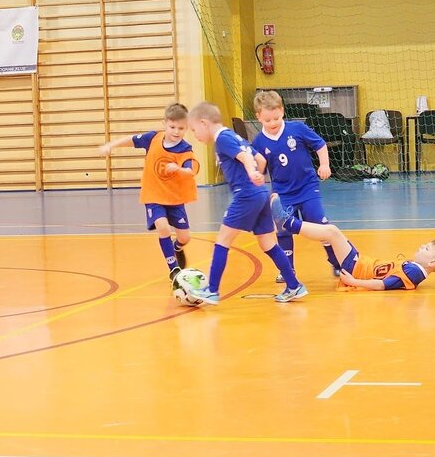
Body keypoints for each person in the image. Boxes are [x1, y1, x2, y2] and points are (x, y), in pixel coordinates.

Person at [186, 101, 307, 305]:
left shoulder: (222, 139)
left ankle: (212, 290)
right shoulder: (234, 136)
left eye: (194, 129)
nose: (195, 135)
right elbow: (260, 158)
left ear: (204, 123)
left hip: (246, 195)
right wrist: (258, 176)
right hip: (260, 193)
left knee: (222, 240)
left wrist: (251, 173)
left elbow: (245, 157)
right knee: (267, 243)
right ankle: (294, 285)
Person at [269, 193, 435, 290]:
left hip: (357, 268)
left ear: (432, 262)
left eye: (427, 248)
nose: (422, 246)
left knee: (332, 232)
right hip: (360, 263)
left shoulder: (414, 273)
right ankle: (333, 260)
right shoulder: (415, 270)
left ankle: (287, 222)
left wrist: (354, 282)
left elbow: (382, 285)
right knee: (330, 235)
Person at [99, 103, 198, 282]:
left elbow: (190, 171)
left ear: (187, 128)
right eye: (172, 127)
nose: (176, 132)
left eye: (181, 128)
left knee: (185, 237)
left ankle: (177, 247)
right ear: (164, 123)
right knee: (163, 227)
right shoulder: (152, 138)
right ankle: (174, 269)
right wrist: (111, 145)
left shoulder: (185, 148)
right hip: (153, 195)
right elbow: (131, 140)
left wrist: (177, 168)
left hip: (174, 198)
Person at [251, 90, 340, 282]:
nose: (273, 123)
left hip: (307, 188)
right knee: (283, 229)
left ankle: (336, 262)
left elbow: (320, 145)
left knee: (320, 224)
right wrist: (256, 177)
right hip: (283, 193)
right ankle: (288, 269)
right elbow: (259, 168)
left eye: (276, 118)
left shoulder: (297, 128)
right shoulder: (259, 142)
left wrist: (324, 164)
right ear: (258, 117)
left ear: (282, 111)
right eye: (267, 120)